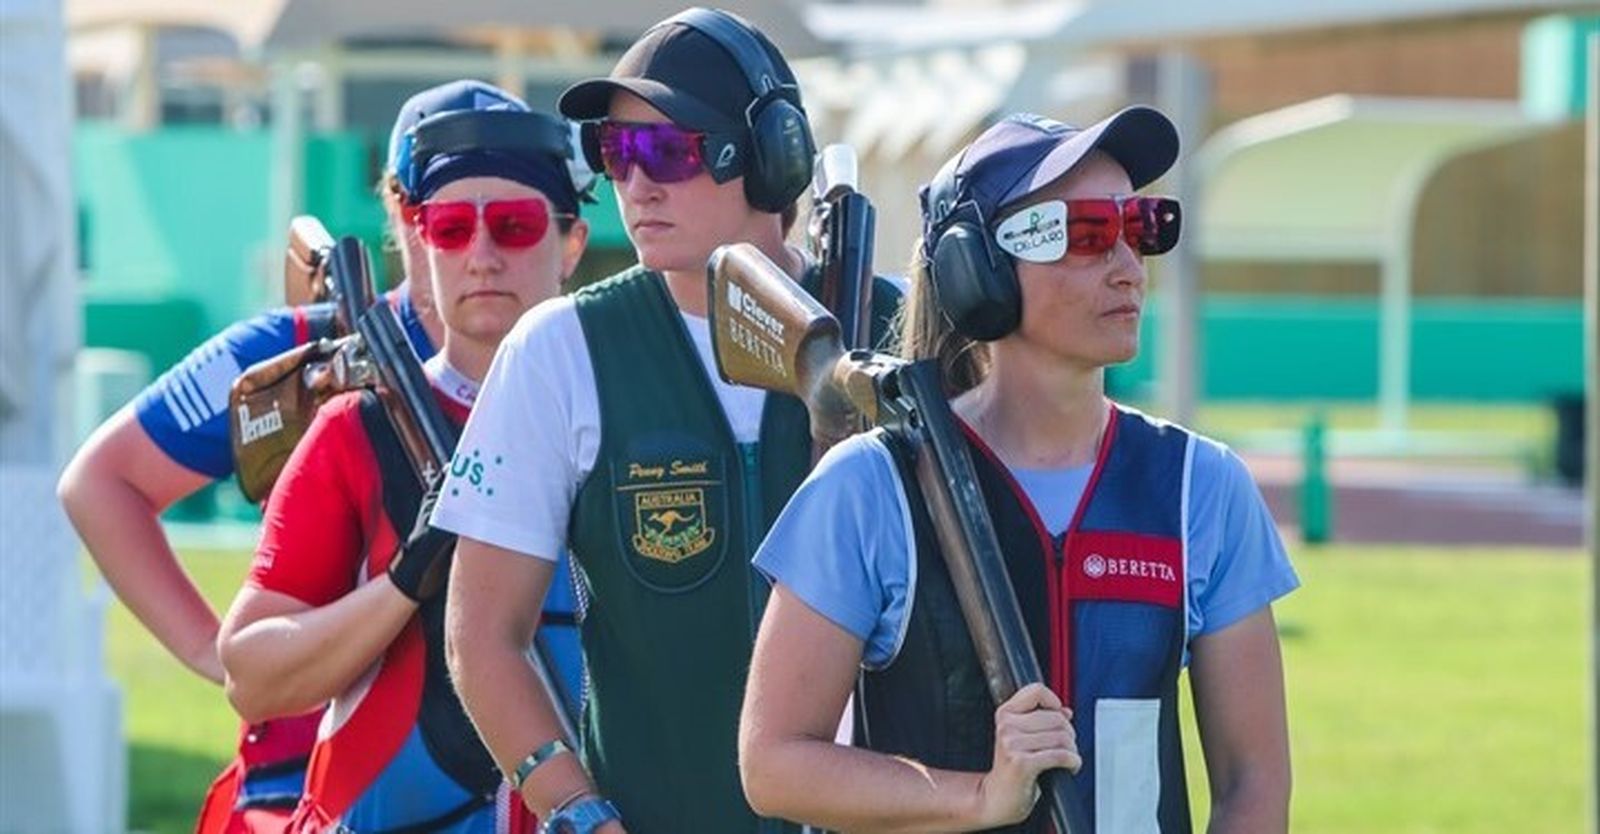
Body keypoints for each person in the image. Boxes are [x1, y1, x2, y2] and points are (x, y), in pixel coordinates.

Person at [738, 108, 1299, 833]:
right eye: (1089, 233)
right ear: (979, 270)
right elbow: (773, 762)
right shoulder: (870, 486)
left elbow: (1253, 784)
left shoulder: (1202, 486)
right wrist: (978, 797)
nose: (1128, 266)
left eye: (1142, 227)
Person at [433, 8, 900, 834]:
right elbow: (482, 637)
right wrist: (576, 811)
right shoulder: (562, 347)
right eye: (614, 152)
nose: (634, 183)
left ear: (771, 158)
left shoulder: (897, 330)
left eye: (667, 151)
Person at [217, 90, 590, 833]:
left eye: (514, 226)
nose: (482, 256)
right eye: (451, 228)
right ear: (420, 241)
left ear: (571, 243)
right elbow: (250, 673)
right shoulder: (358, 430)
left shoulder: (626, 419)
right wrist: (403, 582)